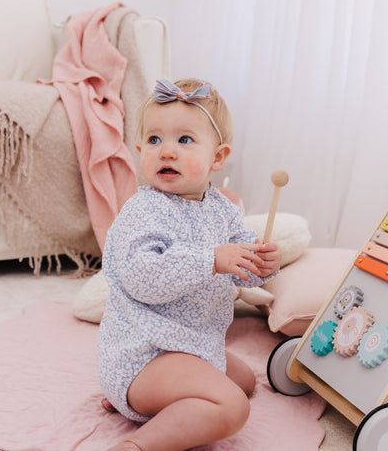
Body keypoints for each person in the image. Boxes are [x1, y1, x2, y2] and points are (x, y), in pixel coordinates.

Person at [97, 77, 282, 451]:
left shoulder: (222, 209)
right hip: (145, 351)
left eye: (184, 140)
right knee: (231, 407)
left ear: (217, 158)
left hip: (191, 343)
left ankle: (144, 403)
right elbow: (141, 277)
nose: (166, 151)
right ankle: (136, 442)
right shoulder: (143, 209)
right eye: (154, 140)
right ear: (140, 150)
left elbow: (240, 259)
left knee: (244, 381)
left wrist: (263, 263)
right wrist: (211, 260)